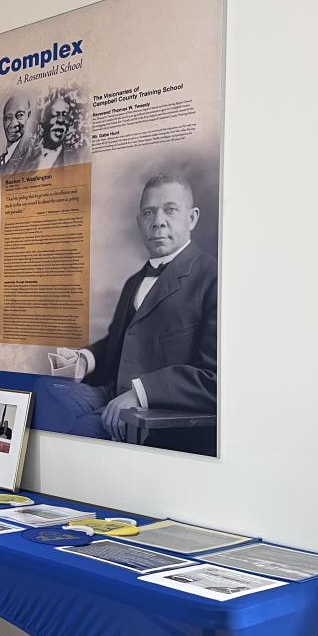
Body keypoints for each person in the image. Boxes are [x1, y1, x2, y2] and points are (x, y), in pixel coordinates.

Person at [42, 174, 217, 441]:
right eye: (149, 212)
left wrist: (141, 393)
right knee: (44, 390)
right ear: (140, 222)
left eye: (170, 209)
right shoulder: (134, 281)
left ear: (192, 218)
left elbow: (214, 377)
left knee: (81, 432)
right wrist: (84, 360)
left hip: (157, 409)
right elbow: (118, 342)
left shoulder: (213, 276)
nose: (158, 221)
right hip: (111, 391)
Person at [0, 94, 33, 178]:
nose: (13, 124)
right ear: (3, 121)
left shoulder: (33, 157)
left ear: (29, 116)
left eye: (20, 115)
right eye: (8, 118)